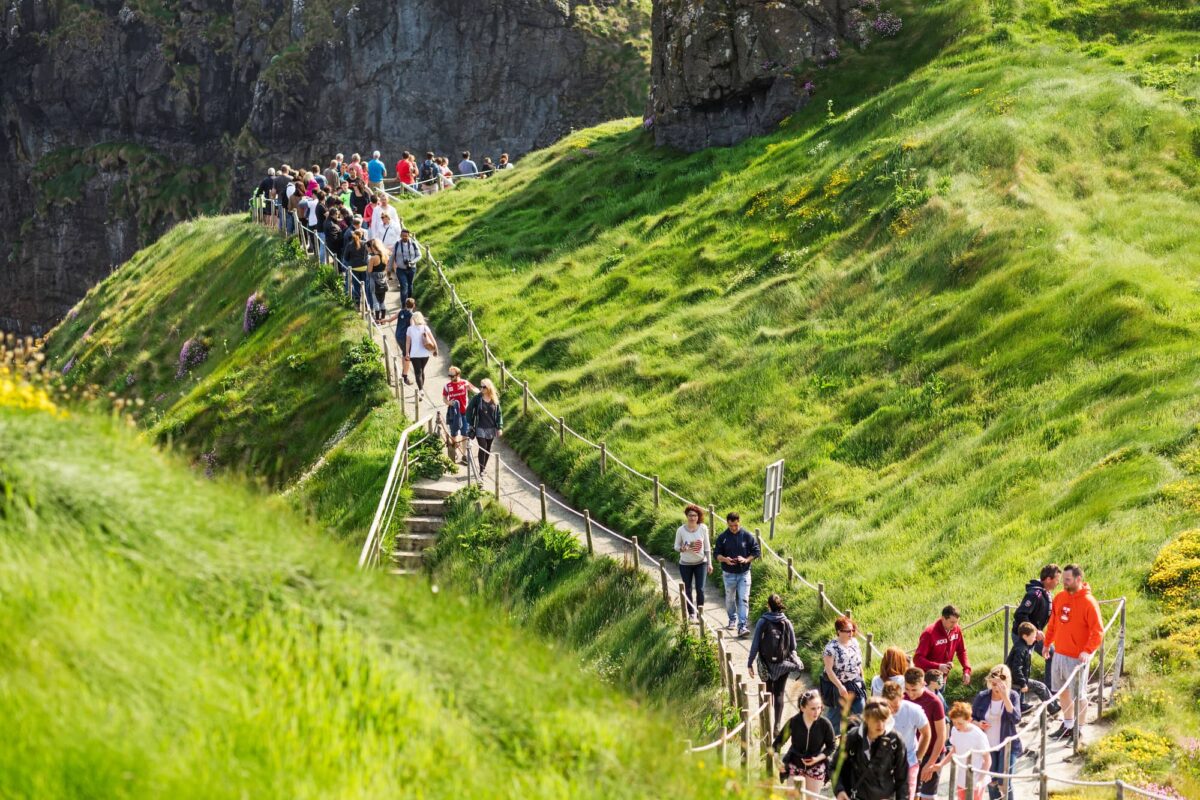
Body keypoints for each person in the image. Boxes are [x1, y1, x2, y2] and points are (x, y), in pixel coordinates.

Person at [1043, 564, 1103, 740]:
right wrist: (1047, 644)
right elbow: (1053, 622)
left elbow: (1098, 631)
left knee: (1079, 694)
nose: (1064, 584)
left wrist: (1087, 650)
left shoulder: (1089, 602)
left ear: (1078, 579)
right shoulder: (1060, 597)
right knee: (1062, 691)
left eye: (1067, 580)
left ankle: (1079, 728)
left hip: (1077, 658)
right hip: (1059, 653)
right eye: (1063, 580)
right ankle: (1068, 725)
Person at [747, 594, 804, 735]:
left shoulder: (763, 621)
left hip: (766, 663)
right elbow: (793, 645)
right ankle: (777, 725)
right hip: (782, 664)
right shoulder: (787, 622)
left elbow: (755, 644)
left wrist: (750, 663)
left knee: (768, 691)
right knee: (779, 693)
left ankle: (767, 720)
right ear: (780, 605)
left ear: (768, 605)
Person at [834, 699, 908, 800]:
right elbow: (834, 767)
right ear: (867, 718)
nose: (881, 725)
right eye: (876, 720)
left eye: (883, 719)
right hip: (857, 796)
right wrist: (839, 790)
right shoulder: (853, 737)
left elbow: (902, 778)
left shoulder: (895, 740)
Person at [971, 665, 1022, 800]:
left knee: (1004, 783)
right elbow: (970, 718)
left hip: (1008, 746)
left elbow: (1016, 718)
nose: (996, 687)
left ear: (1006, 682)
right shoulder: (982, 697)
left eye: (999, 684)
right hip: (988, 746)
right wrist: (978, 724)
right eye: (993, 684)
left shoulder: (1013, 696)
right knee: (991, 782)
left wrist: (1005, 697)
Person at [775, 689, 837, 795]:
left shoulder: (825, 724)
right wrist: (777, 762)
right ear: (802, 708)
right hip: (795, 763)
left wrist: (817, 758)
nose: (817, 712)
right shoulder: (793, 722)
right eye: (813, 708)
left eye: (819, 708)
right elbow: (776, 744)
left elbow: (831, 746)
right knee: (793, 797)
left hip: (816, 765)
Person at [881, 682, 931, 800]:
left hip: (908, 760)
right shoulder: (877, 712)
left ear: (902, 697)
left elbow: (926, 733)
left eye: (895, 705)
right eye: (889, 705)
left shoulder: (913, 710)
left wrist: (919, 757)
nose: (892, 709)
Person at [1013, 564, 1061, 683]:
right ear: (1048, 579)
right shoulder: (1035, 594)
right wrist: (1035, 630)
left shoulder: (1047, 594)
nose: (1058, 583)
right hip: (1023, 635)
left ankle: (1050, 693)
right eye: (1057, 580)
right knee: (1023, 665)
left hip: (1035, 635)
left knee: (1051, 654)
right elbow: (1020, 614)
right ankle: (1020, 700)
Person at [712, 512, 759, 637]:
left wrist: (745, 560)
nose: (734, 528)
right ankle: (732, 619)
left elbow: (756, 551)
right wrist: (725, 559)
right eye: (731, 525)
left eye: (736, 525)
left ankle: (742, 626)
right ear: (727, 523)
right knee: (730, 599)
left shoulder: (747, 535)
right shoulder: (722, 537)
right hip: (728, 574)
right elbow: (716, 554)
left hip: (744, 573)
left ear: (739, 522)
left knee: (744, 599)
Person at [906, 668, 948, 800]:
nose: (911, 694)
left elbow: (942, 735)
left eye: (914, 690)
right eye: (907, 689)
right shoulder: (904, 698)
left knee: (927, 796)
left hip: (932, 752)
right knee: (911, 794)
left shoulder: (935, 702)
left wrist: (931, 763)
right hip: (912, 753)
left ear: (923, 684)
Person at [936, 703, 991, 800]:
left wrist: (980, 780)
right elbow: (954, 750)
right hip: (962, 777)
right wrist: (941, 764)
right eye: (954, 722)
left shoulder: (979, 735)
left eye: (960, 723)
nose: (957, 726)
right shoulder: (954, 730)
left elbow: (988, 760)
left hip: (976, 777)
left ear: (969, 720)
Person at [822, 615, 865, 733]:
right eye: (847, 631)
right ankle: (832, 743)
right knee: (835, 716)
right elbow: (829, 670)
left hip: (855, 684)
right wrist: (840, 687)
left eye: (852, 630)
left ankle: (859, 740)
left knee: (861, 712)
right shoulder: (831, 648)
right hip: (837, 686)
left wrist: (862, 678)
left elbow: (858, 663)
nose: (851, 633)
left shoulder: (855, 642)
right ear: (839, 631)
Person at [1006, 622, 1058, 716]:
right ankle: (1054, 709)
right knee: (1041, 687)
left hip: (1015, 679)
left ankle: (1021, 706)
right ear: (1025, 636)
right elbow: (1016, 668)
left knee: (1017, 695)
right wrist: (1022, 683)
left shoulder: (1022, 645)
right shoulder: (1021, 649)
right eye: (1033, 636)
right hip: (1015, 680)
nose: (1035, 639)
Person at [914, 605, 972, 686]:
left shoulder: (957, 629)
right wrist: (938, 666)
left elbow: (961, 651)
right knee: (937, 699)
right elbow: (917, 659)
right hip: (926, 681)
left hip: (942, 679)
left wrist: (967, 670)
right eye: (952, 622)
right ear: (943, 618)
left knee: (941, 695)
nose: (955, 625)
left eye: (956, 622)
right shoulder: (929, 633)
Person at [673, 504, 710, 621]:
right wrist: (681, 549)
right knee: (687, 588)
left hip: (701, 563)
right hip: (685, 564)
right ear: (686, 516)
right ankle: (691, 613)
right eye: (690, 515)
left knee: (701, 589)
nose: (692, 518)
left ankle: (700, 613)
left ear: (698, 517)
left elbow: (707, 547)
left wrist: (709, 563)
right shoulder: (681, 530)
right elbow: (676, 546)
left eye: (695, 515)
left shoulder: (703, 528)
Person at [465, 379, 502, 472]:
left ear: (489, 387)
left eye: (484, 387)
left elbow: (499, 413)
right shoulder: (478, 398)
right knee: (483, 447)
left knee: (488, 448)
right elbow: (469, 409)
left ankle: (483, 467)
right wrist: (471, 423)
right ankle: (481, 470)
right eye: (480, 386)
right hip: (479, 427)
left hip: (491, 428)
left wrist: (499, 427)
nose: (481, 388)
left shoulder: (494, 398)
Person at [442, 366, 477, 461]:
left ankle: (464, 455)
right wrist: (449, 403)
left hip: (465, 413)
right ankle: (455, 452)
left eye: (451, 375)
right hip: (453, 414)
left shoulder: (464, 383)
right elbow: (444, 398)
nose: (450, 377)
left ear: (458, 375)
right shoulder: (447, 386)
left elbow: (476, 390)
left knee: (465, 434)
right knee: (453, 434)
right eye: (449, 375)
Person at [404, 311, 437, 392]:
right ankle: (421, 388)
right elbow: (433, 340)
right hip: (425, 353)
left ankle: (421, 390)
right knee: (421, 370)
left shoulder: (410, 329)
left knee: (418, 372)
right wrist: (436, 350)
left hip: (414, 354)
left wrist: (407, 352)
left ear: (414, 319)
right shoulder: (425, 327)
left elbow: (408, 342)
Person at [342, 229, 374, 311]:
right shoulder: (365, 244)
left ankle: (357, 305)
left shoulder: (349, 245)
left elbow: (346, 258)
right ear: (362, 235)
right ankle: (368, 305)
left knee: (356, 287)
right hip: (364, 268)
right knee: (366, 287)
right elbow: (369, 254)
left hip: (354, 268)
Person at [395, 229, 422, 304]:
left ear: (408, 236)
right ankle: (403, 305)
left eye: (406, 236)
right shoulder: (397, 244)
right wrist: (388, 268)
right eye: (403, 236)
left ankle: (409, 302)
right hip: (400, 269)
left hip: (411, 268)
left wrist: (412, 262)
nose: (404, 237)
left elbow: (419, 255)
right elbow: (392, 256)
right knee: (404, 285)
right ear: (400, 235)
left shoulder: (413, 244)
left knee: (410, 285)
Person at [393, 297, 416, 385]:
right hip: (405, 338)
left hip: (398, 336)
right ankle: (405, 377)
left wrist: (383, 320)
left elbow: (391, 319)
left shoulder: (400, 311)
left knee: (404, 353)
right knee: (407, 356)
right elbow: (412, 327)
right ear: (413, 305)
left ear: (405, 304)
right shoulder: (412, 315)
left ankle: (403, 372)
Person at [366, 239, 389, 320]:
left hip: (374, 281)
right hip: (383, 280)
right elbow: (386, 269)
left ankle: (377, 319)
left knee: (375, 301)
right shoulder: (385, 255)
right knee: (382, 301)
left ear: (373, 247)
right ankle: (383, 319)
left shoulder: (373, 258)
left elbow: (369, 271)